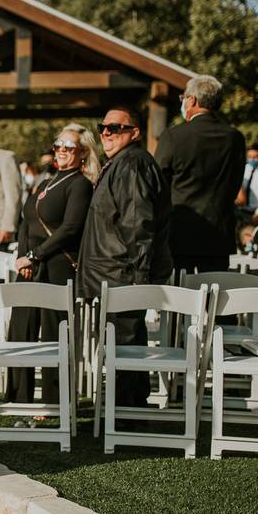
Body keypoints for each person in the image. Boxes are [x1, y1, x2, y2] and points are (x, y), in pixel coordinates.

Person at [77, 107, 173, 408]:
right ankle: (124, 408)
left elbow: (137, 225)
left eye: (115, 128)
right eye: (103, 127)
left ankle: (129, 411)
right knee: (119, 346)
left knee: (127, 346)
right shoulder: (121, 162)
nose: (106, 132)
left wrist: (138, 280)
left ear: (134, 132)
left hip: (123, 276)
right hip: (112, 275)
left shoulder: (133, 163)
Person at [7, 124, 97, 406]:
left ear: (82, 152)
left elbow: (70, 229)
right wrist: (24, 259)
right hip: (30, 267)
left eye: (68, 147)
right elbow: (26, 222)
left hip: (56, 267)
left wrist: (36, 256)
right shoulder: (46, 182)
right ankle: (19, 397)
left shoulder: (80, 184)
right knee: (21, 330)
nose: (60, 151)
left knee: (52, 336)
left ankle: (53, 402)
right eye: (57, 145)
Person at [155, 75, 245, 273]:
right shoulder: (234, 138)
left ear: (192, 100)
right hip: (219, 232)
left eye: (183, 98)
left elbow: (158, 183)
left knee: (179, 297)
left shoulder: (173, 136)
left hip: (179, 232)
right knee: (215, 298)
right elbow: (235, 183)